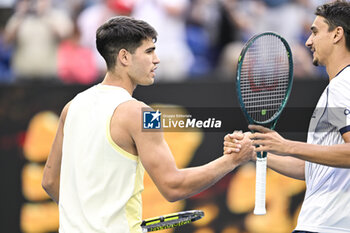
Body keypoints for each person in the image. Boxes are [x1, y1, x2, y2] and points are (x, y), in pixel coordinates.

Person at [42, 16, 254, 233]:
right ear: (124, 57)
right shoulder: (143, 114)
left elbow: (50, 181)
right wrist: (233, 160)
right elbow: (173, 186)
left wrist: (87, 218)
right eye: (149, 51)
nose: (157, 59)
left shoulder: (72, 107)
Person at [225, 1, 350, 232]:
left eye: (314, 32)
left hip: (327, 226)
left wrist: (286, 145)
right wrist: (257, 153)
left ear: (337, 34)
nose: (308, 41)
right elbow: (315, 168)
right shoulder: (340, 85)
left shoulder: (344, 86)